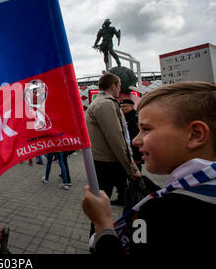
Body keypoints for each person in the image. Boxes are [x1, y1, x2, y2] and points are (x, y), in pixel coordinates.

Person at [82, 81, 216, 255]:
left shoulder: (160, 210)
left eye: (146, 129)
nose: (136, 141)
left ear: (195, 134)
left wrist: (102, 223)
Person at [85, 73, 141, 213]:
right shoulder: (105, 104)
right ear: (112, 85)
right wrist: (131, 168)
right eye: (119, 85)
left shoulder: (103, 102)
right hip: (108, 163)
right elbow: (116, 138)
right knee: (101, 208)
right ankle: (102, 232)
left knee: (102, 204)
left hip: (106, 161)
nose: (120, 89)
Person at [120, 99, 143, 171]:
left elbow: (138, 137)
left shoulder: (137, 118)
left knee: (136, 172)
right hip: (125, 151)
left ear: (131, 106)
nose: (122, 108)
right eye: (121, 106)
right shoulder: (121, 117)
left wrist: (138, 156)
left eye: (124, 106)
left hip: (135, 151)